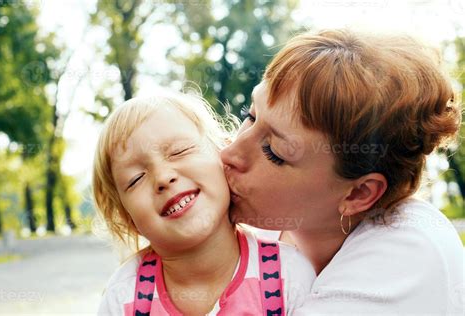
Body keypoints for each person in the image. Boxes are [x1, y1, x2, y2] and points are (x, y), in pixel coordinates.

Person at [221, 29, 464, 314]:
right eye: (250, 116)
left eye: (274, 151)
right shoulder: (266, 231)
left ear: (359, 193)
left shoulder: (409, 251)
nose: (229, 153)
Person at [92, 92, 315, 315]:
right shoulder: (122, 298)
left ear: (224, 158)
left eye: (179, 151)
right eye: (136, 179)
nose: (162, 177)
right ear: (126, 218)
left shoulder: (289, 276)